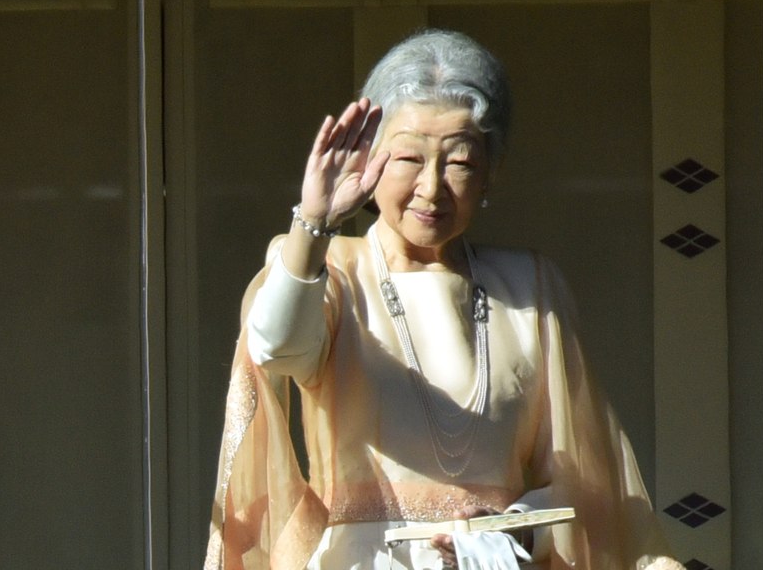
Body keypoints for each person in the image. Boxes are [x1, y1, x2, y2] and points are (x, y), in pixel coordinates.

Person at [203, 29, 679, 570]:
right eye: (408, 157)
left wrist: (503, 534)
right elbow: (275, 346)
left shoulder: (530, 288)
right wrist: (313, 224)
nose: (431, 188)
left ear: (490, 174)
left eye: (460, 163)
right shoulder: (327, 269)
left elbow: (582, 481)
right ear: (370, 160)